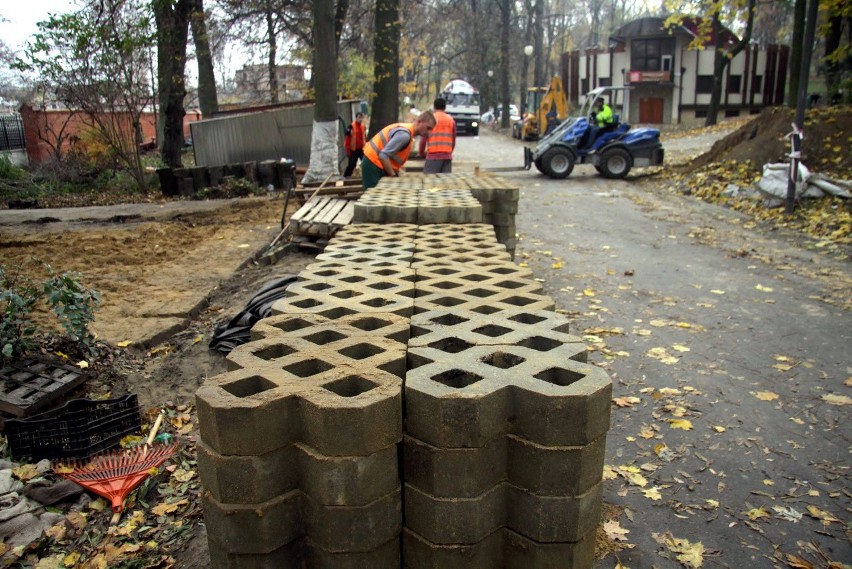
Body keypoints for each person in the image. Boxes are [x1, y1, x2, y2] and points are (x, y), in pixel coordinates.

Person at [362, 111, 436, 190]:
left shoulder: (408, 133)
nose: (429, 132)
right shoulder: (404, 135)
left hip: (376, 162)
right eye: (428, 128)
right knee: (373, 195)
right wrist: (393, 176)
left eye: (431, 129)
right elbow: (383, 155)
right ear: (419, 122)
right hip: (373, 162)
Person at [419, 97, 456, 174]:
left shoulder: (430, 119)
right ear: (445, 107)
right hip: (447, 157)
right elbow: (453, 140)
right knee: (445, 183)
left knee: (429, 181)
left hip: (433, 156)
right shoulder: (451, 120)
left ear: (434, 107)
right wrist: (449, 153)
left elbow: (423, 140)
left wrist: (421, 153)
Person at [343, 112, 366, 178]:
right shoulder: (351, 127)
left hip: (361, 149)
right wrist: (347, 149)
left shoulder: (363, 127)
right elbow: (347, 138)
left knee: (365, 162)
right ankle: (346, 176)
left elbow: (364, 137)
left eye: (361, 118)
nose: (360, 119)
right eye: (359, 118)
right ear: (356, 118)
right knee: (352, 164)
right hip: (353, 149)